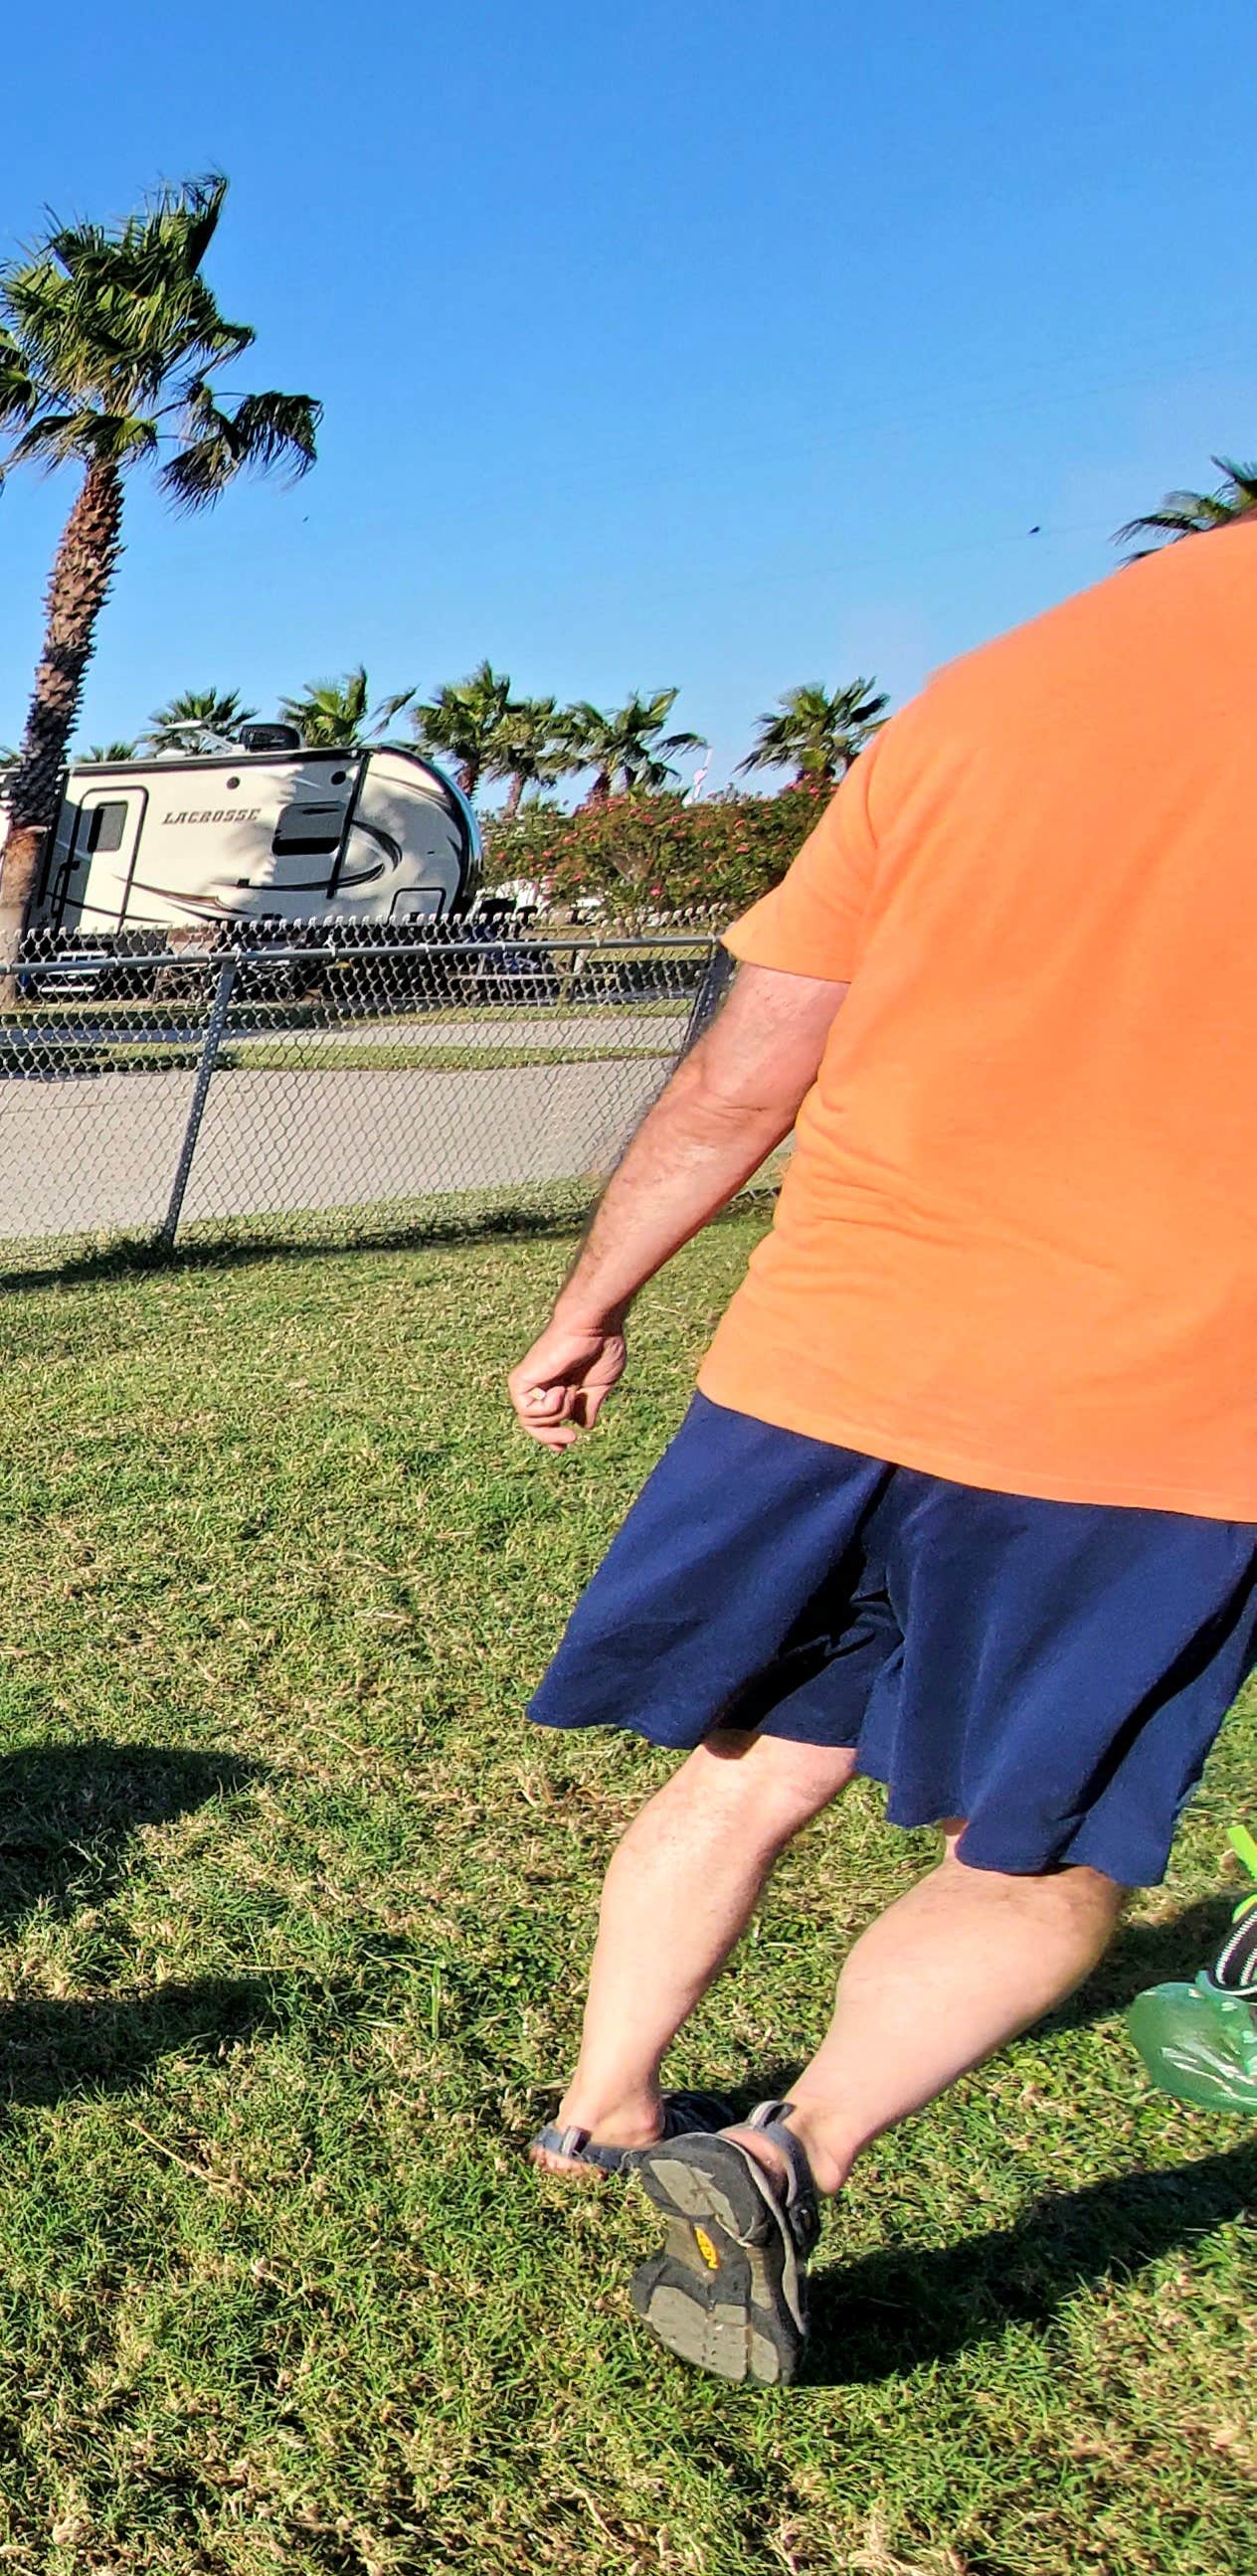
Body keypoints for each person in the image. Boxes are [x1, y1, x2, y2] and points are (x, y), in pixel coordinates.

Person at [505, 518, 1257, 2384]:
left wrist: (592, 1298)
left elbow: (747, 1068)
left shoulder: (989, 697)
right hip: (1163, 1418)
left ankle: (602, 2108)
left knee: (752, 1761)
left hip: (830, 1365)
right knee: (1047, 1865)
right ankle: (784, 2151)